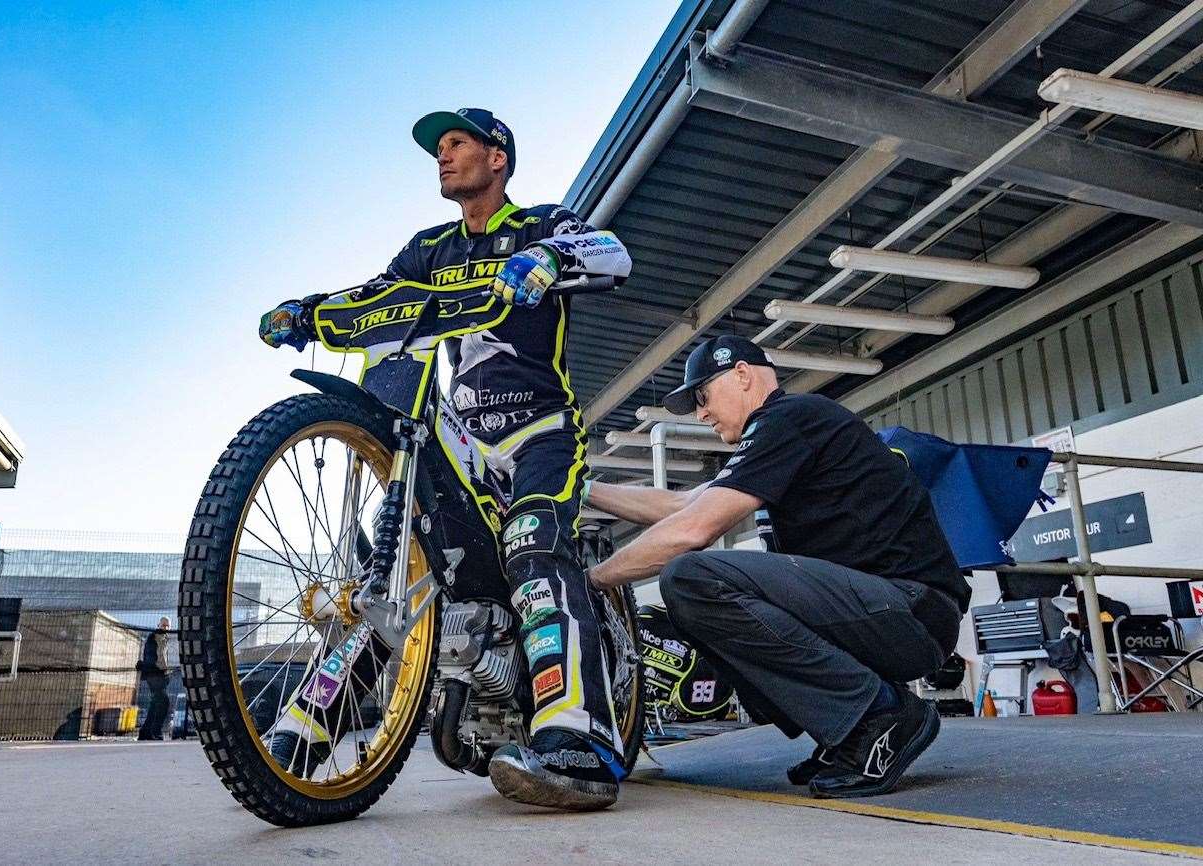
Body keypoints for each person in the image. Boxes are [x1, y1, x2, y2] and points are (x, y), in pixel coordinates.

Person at [258, 108, 633, 810]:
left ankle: (577, 743)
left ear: (498, 158)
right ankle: (304, 731)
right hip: (457, 441)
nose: (443, 155)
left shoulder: (540, 223)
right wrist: (306, 311)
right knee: (399, 567)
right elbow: (377, 297)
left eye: (458, 143)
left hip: (539, 435)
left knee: (534, 552)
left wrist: (550, 259)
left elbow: (613, 251)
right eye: (439, 148)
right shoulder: (428, 248)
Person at [586, 336, 970, 798]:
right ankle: (845, 732)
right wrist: (580, 489)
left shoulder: (789, 417)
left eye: (702, 397)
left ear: (743, 374)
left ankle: (879, 717)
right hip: (890, 611)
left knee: (689, 579)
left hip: (910, 609)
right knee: (691, 605)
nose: (701, 414)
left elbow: (692, 530)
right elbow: (682, 504)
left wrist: (591, 581)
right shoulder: (787, 431)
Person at [138, 617, 173, 741]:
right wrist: (153, 670)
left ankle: (145, 733)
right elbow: (150, 657)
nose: (165, 628)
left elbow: (162, 658)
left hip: (160, 676)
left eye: (167, 626)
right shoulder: (153, 638)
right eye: (163, 625)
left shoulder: (165, 639)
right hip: (154, 675)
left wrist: (166, 672)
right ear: (158, 625)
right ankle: (155, 732)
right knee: (164, 702)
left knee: (155, 705)